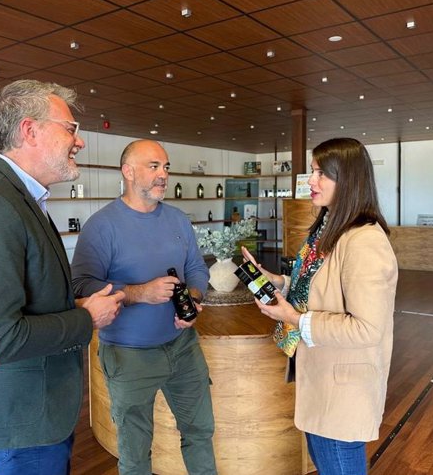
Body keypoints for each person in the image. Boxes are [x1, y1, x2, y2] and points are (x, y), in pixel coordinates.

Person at [0, 79, 125, 475]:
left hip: (34, 409)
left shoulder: (14, 197)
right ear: (29, 130)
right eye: (70, 129)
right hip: (22, 417)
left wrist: (76, 306)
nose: (79, 141)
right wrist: (87, 319)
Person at [242, 137, 398, 475]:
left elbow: (367, 328)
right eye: (311, 172)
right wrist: (276, 280)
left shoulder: (365, 240)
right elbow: (313, 284)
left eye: (320, 174)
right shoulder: (328, 229)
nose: (310, 182)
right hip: (322, 377)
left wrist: (295, 319)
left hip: (343, 387)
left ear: (349, 180)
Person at [71, 139, 217, 475]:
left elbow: (196, 267)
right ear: (128, 171)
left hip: (183, 347)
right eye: (154, 166)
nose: (163, 174)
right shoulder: (101, 226)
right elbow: (81, 286)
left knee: (200, 432)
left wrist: (193, 298)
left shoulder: (178, 219)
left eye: (166, 167)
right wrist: (140, 293)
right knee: (135, 451)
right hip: (128, 354)